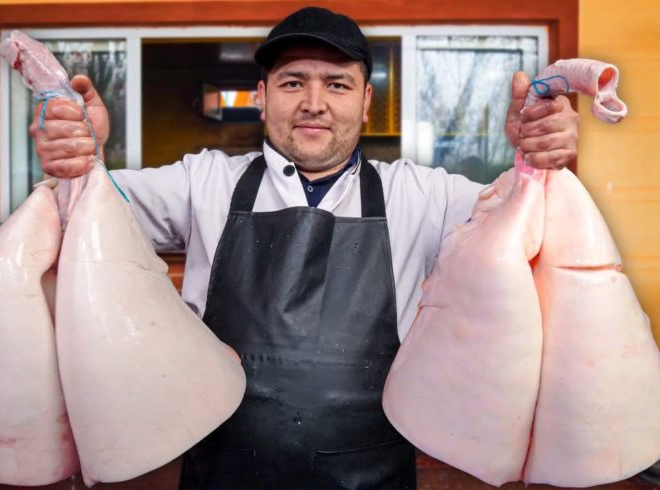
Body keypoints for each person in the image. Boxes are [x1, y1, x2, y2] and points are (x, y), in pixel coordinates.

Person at [31, 7, 579, 488]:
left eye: (337, 84)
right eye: (293, 82)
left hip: (372, 470)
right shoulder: (203, 182)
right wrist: (85, 162)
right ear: (263, 98)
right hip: (221, 468)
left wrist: (535, 163)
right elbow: (83, 219)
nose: (314, 103)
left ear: (366, 102)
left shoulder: (424, 194)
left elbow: (530, 229)